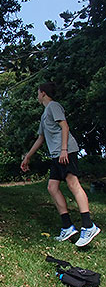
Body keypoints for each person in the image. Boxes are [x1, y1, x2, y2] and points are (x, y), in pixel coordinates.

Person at [21, 82, 101, 247]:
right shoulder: (45, 114)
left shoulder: (53, 106)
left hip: (66, 152)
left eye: (38, 93)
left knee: (73, 184)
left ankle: (88, 226)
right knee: (52, 187)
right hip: (56, 155)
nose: (37, 96)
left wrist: (64, 149)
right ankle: (67, 226)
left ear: (43, 93)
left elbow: (65, 126)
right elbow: (41, 138)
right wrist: (27, 157)